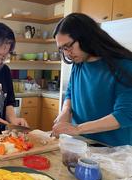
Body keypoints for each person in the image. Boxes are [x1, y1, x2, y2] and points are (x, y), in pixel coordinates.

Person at [52, 12, 132, 146]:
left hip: (114, 151)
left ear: (86, 37)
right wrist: (65, 112)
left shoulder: (124, 66)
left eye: (68, 46)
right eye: (62, 49)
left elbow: (124, 115)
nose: (66, 53)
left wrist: (77, 128)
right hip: (81, 144)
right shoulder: (78, 63)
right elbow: (71, 93)